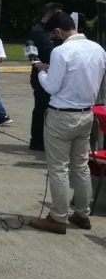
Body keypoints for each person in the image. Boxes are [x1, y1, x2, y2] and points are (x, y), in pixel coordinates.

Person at [29, 12, 106, 234]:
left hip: (62, 114)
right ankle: (82, 213)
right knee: (81, 166)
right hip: (86, 113)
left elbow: (52, 87)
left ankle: (58, 217)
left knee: (58, 168)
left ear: (58, 32)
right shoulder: (98, 49)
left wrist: (42, 72)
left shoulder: (61, 52)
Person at [27, 2, 63, 150]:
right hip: (41, 76)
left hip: (55, 75)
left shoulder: (54, 32)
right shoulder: (37, 31)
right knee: (41, 109)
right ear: (49, 15)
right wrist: (41, 66)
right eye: (58, 15)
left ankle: (48, 138)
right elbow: (34, 53)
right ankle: (37, 141)